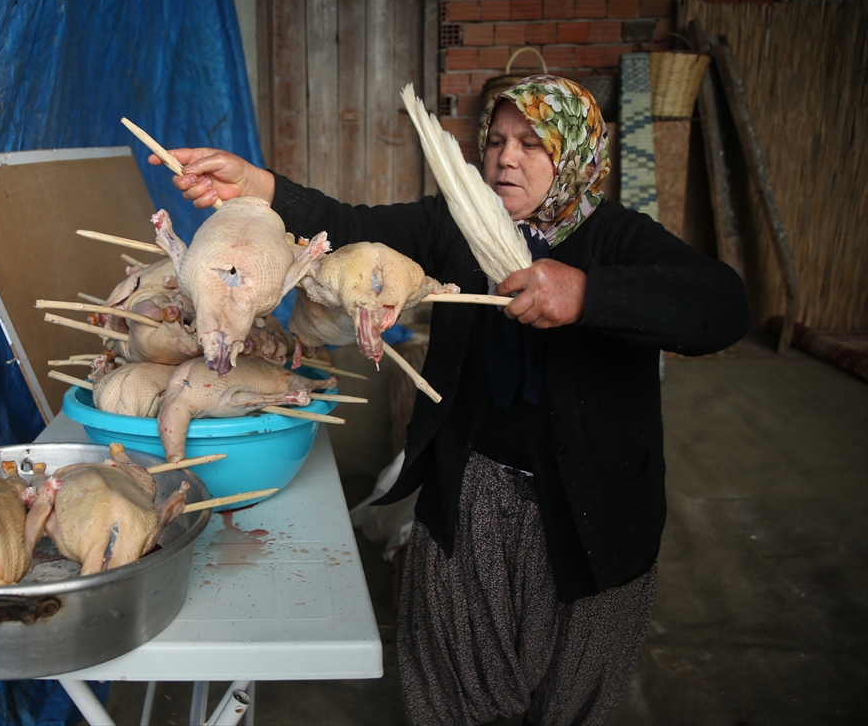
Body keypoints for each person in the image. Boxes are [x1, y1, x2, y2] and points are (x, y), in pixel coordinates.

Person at [150, 75, 750, 725]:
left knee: (569, 690)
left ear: (574, 156)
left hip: (596, 512)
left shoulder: (617, 241)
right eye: (496, 141)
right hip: (473, 493)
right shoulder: (458, 225)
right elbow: (350, 225)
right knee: (456, 685)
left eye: (532, 144)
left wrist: (588, 295)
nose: (505, 158)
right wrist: (255, 185)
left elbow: (722, 307)